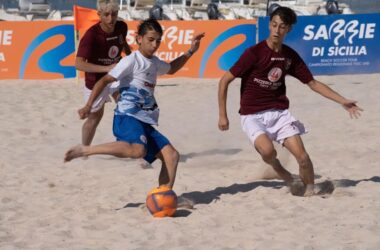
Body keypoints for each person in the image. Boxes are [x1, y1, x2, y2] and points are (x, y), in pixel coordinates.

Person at [217, 6, 362, 196]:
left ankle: (309, 190)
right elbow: (224, 80)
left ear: (289, 29)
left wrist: (342, 100)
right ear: (269, 25)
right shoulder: (254, 53)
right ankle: (281, 171)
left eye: (282, 27)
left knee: (303, 158)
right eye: (274, 25)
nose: (277, 30)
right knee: (268, 152)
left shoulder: (289, 56)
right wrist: (223, 115)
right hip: (252, 115)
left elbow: (312, 83)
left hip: (279, 114)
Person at [65, 19, 205, 188]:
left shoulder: (154, 62)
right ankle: (86, 150)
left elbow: (172, 68)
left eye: (158, 41)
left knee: (172, 156)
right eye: (150, 40)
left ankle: (163, 196)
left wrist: (191, 51)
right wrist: (88, 106)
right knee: (138, 150)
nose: (155, 44)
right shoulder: (131, 61)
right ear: (139, 39)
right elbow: (103, 82)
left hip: (144, 119)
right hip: (127, 116)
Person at [76, 0, 131, 146]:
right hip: (95, 81)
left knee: (128, 106)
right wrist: (105, 68)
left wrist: (130, 54)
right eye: (106, 14)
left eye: (114, 14)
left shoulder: (122, 26)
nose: (110, 19)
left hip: (116, 77)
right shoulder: (91, 35)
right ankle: (85, 151)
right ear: (99, 14)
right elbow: (79, 64)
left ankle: (136, 149)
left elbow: (123, 42)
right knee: (95, 118)